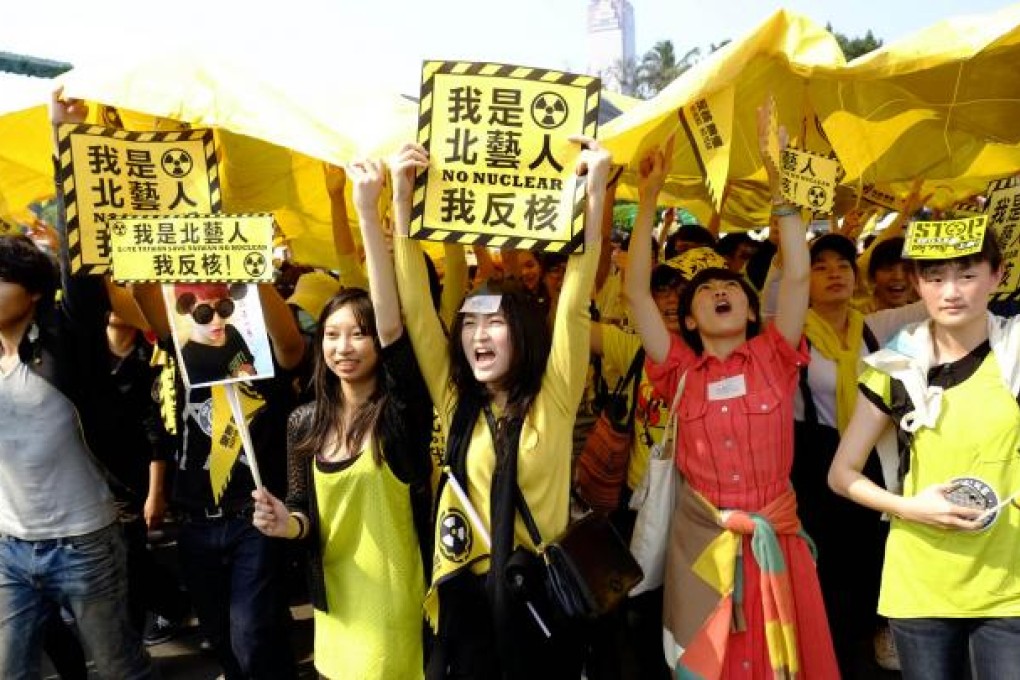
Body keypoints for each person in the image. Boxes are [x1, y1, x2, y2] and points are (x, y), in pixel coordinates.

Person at [625, 101, 838, 678]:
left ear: (748, 308)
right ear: (689, 320)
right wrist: (648, 203)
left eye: (732, 286)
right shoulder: (678, 372)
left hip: (778, 542)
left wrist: (781, 186)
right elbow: (640, 296)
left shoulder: (774, 353)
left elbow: (796, 274)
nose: (721, 290)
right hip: (703, 549)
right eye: (706, 290)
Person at [392, 137, 608, 679]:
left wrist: (595, 190)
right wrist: (400, 200)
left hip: (538, 600)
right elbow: (417, 310)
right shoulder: (454, 399)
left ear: (525, 332)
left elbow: (577, 297)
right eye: (468, 323)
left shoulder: (555, 394)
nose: (478, 335)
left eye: (494, 322)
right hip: (467, 602)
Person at [252, 158, 433, 679]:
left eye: (358, 333)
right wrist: (286, 525)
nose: (343, 346)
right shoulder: (303, 423)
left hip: (394, 608)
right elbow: (304, 512)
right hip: (334, 609)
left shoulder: (400, 414)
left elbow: (395, 326)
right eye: (331, 335)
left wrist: (366, 209)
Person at [829, 228, 1020, 680]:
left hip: (1010, 580)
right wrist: (911, 508)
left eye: (967, 275)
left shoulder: (1015, 354)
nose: (950, 292)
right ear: (917, 284)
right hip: (919, 582)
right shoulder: (894, 367)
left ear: (998, 276)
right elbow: (841, 473)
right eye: (935, 278)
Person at [172, 283, 256, 385]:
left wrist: (249, 370)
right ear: (189, 312)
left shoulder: (231, 330)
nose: (217, 320)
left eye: (224, 308)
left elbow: (249, 360)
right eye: (204, 313)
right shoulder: (187, 360)